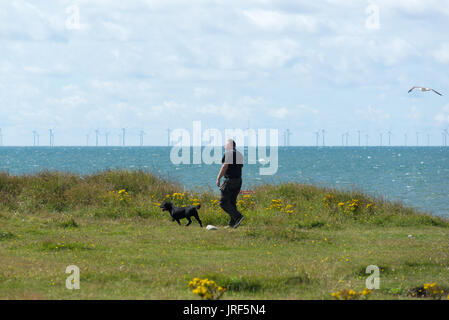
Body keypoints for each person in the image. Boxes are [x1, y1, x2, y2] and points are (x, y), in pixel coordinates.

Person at [216, 139, 245, 228]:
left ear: (230, 145)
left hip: (230, 180)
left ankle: (238, 216)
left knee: (223, 202)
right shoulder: (239, 154)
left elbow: (225, 166)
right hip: (238, 180)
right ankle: (232, 223)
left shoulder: (229, 153)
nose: (224, 146)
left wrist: (218, 178)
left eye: (225, 145)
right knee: (232, 202)